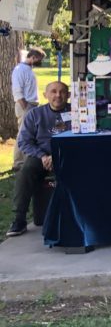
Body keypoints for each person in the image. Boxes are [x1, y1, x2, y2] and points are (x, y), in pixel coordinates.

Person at [7, 81, 70, 236]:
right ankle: (19, 219)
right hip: (42, 156)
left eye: (62, 92)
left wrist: (59, 157)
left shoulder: (78, 113)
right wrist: (42, 156)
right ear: (45, 95)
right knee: (26, 171)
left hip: (69, 156)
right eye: (53, 91)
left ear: (68, 95)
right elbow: (24, 142)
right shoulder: (34, 114)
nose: (58, 95)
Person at [11, 47, 45, 171]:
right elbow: (17, 90)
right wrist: (25, 107)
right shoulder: (19, 69)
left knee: (29, 134)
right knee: (22, 134)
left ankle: (26, 160)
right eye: (39, 60)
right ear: (33, 57)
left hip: (32, 105)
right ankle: (18, 163)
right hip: (25, 105)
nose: (39, 62)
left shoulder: (29, 69)